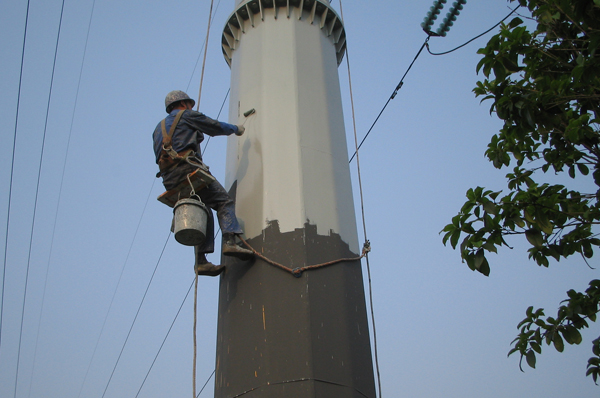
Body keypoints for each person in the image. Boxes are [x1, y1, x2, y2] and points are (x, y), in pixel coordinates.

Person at [153, 90, 253, 276]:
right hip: (187, 171)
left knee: (202, 209)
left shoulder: (158, 129)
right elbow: (213, 127)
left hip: (169, 179)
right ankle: (231, 243)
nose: (192, 107)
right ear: (183, 104)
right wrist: (236, 129)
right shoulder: (187, 116)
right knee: (223, 201)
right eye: (189, 104)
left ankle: (201, 262)